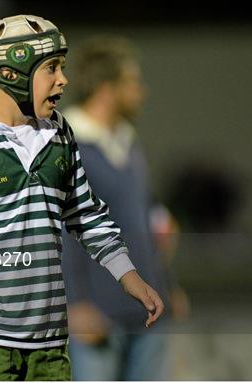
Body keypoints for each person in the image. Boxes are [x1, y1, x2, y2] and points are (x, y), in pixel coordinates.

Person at [0, 15, 164, 381]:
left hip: (48, 342)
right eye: (51, 68)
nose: (63, 80)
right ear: (11, 73)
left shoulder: (61, 136)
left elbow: (85, 214)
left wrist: (128, 275)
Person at [60, 36, 186, 380]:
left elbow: (151, 222)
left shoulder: (127, 142)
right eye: (131, 82)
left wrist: (168, 284)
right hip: (98, 315)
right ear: (106, 88)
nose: (141, 91)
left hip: (147, 312)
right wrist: (77, 304)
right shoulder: (66, 145)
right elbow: (63, 230)